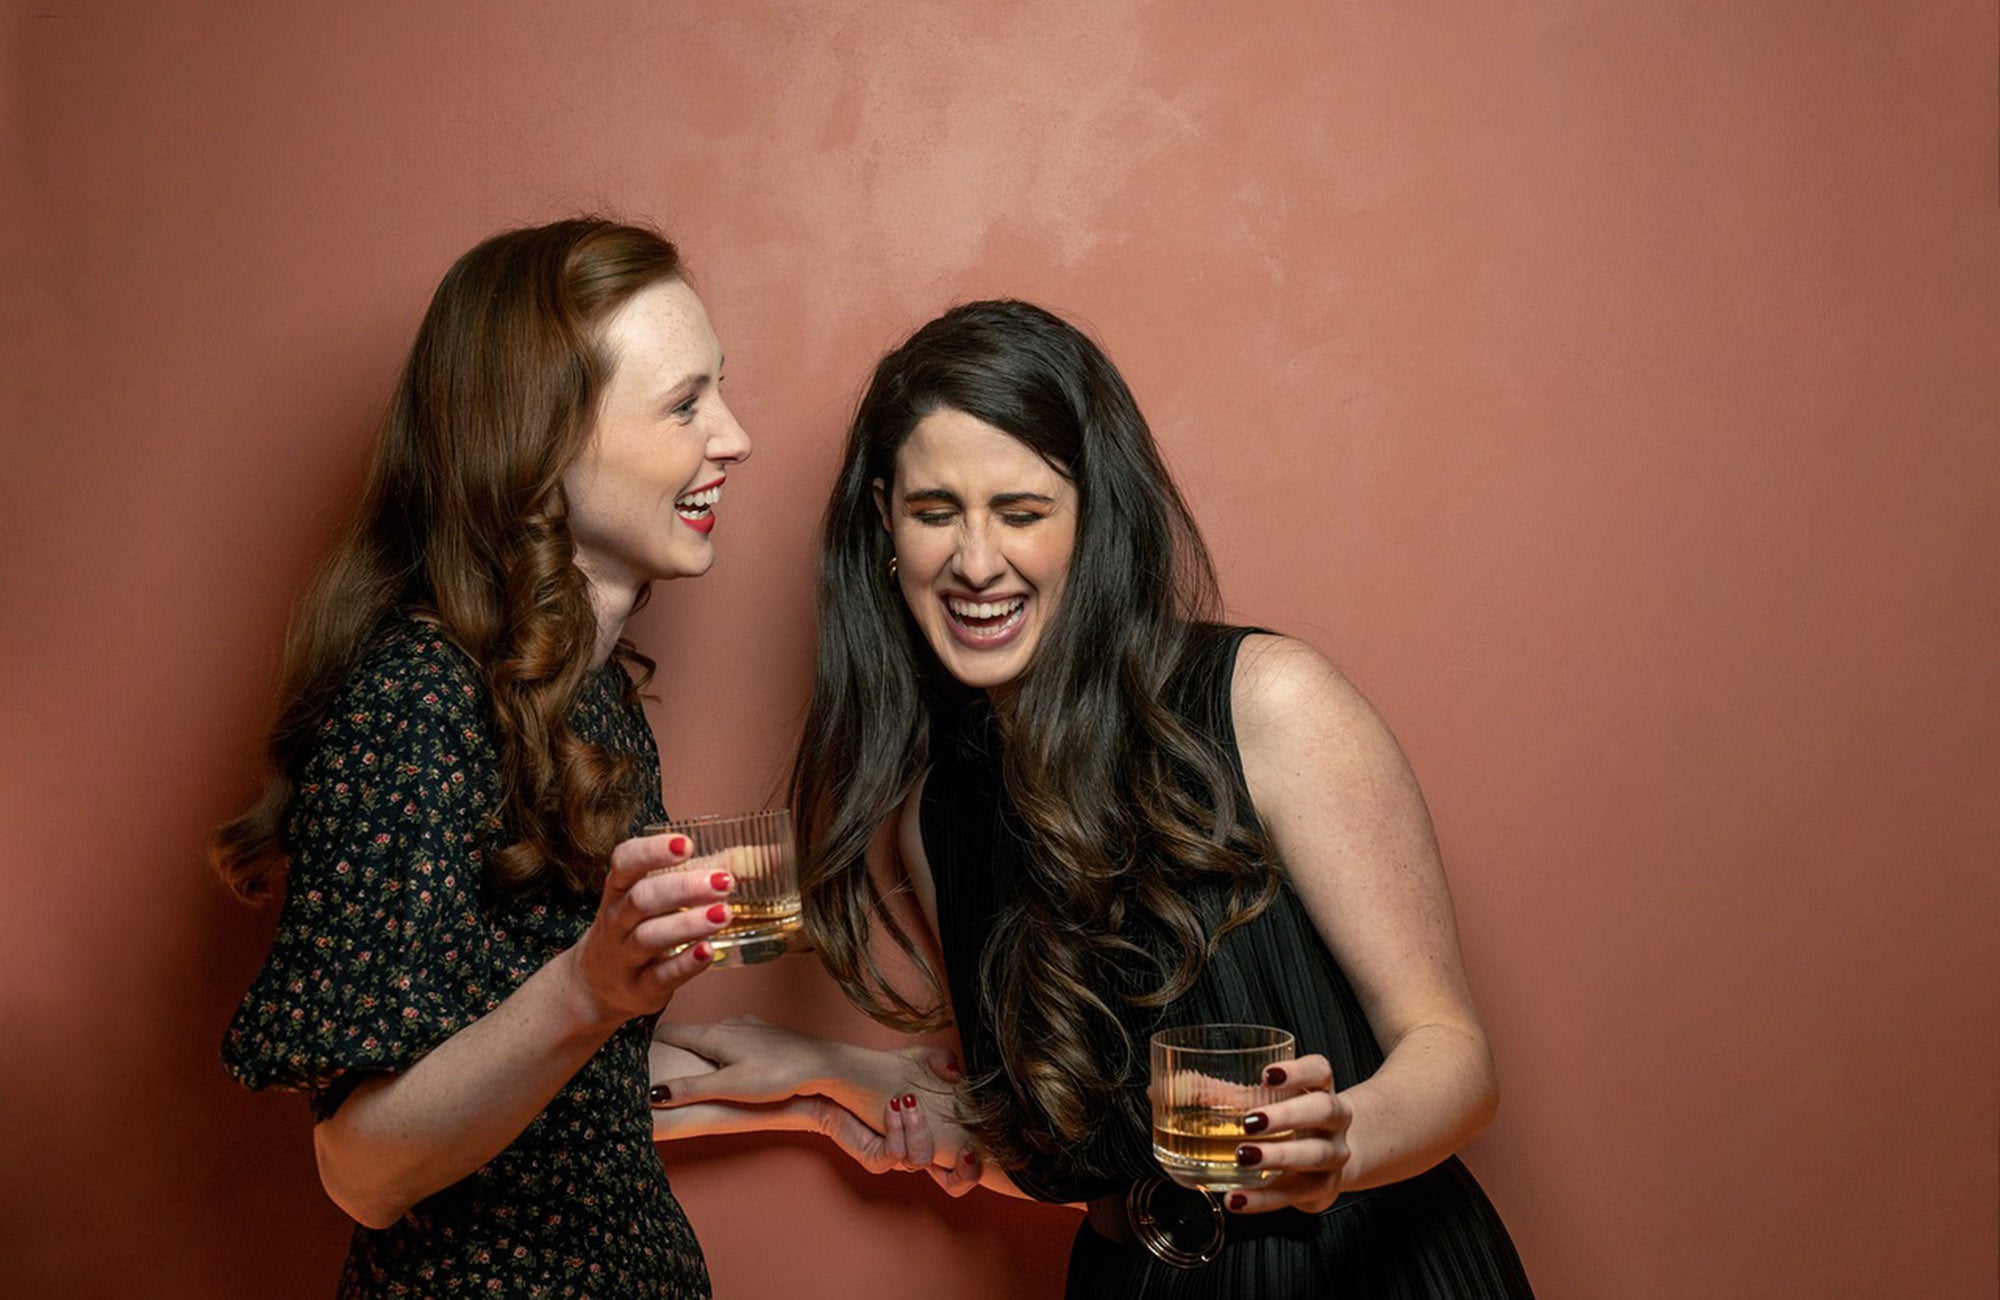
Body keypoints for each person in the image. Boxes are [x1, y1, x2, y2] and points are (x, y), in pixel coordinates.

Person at [655, 299, 1535, 1296]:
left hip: (1370, 1274)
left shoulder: (1268, 703)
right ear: (881, 520)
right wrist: (820, 1079)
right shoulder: (933, 817)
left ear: (1092, 518)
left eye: (1022, 512)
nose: (975, 561)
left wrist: (1340, 1145)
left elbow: (1454, 1058)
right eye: (934, 510)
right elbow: (1083, 1155)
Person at [214, 217, 754, 1298]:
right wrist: (588, 988)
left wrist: (840, 1073)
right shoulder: (414, 704)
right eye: (684, 404)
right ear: (544, 444)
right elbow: (359, 1170)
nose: (734, 437)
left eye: (720, 392)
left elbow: (579, 1089)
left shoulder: (586, 697)